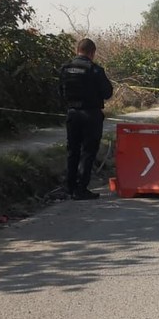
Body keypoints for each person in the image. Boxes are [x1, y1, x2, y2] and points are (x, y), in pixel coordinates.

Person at [58, 37, 113, 200]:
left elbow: (60, 91)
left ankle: (70, 187)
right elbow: (107, 93)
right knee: (88, 152)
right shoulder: (95, 70)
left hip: (73, 113)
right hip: (91, 115)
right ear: (92, 52)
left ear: (77, 50)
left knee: (72, 150)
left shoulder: (65, 68)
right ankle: (82, 188)